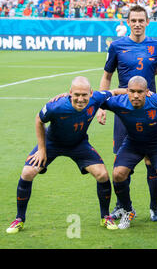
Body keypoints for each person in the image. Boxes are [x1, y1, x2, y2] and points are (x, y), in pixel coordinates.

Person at [6, 77, 125, 234]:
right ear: (70, 93)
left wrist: (143, 92)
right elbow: (38, 120)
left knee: (102, 174)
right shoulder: (57, 106)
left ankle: (105, 216)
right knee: (27, 173)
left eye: (84, 95)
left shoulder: (96, 98)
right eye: (76, 94)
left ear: (91, 93)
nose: (80, 99)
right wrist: (42, 150)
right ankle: (19, 219)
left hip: (79, 144)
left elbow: (114, 91)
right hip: (52, 144)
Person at [97, 4, 157, 223]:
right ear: (128, 22)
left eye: (140, 20)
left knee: (152, 162)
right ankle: (124, 206)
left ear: (147, 22)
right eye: (133, 20)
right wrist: (100, 105)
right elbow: (107, 76)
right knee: (122, 161)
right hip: (124, 110)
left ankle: (155, 207)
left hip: (149, 110)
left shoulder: (156, 46)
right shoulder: (117, 46)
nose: (137, 24)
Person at [101, 76, 157, 230]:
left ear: (147, 92)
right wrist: (66, 97)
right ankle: (127, 211)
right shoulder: (118, 102)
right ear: (127, 91)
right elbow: (92, 99)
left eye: (140, 92)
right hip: (133, 144)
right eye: (132, 91)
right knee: (118, 174)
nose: (136, 95)